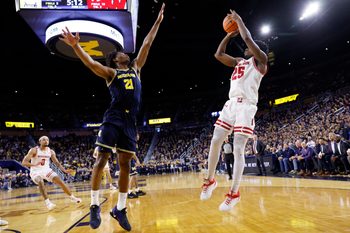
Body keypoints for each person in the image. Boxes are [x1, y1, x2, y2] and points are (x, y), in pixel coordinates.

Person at [59, 3, 165, 231]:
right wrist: (77, 47)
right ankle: (95, 204)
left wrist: (157, 21)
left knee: (125, 165)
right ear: (116, 59)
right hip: (114, 118)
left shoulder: (136, 68)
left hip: (130, 122)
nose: (126, 53)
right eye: (121, 53)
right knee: (102, 160)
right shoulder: (111, 73)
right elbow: (90, 63)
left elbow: (147, 43)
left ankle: (120, 208)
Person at [200, 9, 268, 212]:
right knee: (215, 141)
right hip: (230, 104)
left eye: (250, 48)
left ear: (255, 50)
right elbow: (218, 55)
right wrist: (228, 35)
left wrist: (239, 22)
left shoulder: (261, 61)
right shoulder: (240, 62)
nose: (246, 49)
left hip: (246, 106)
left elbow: (248, 39)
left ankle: (234, 193)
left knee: (238, 149)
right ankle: (210, 180)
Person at [21, 136, 82, 210]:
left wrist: (64, 170)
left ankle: (72, 197)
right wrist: (34, 165)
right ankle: (48, 203)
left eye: (47, 139)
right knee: (40, 181)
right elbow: (24, 162)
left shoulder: (51, 151)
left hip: (46, 170)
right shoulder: (34, 150)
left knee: (60, 181)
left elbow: (57, 163)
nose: (46, 141)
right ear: (40, 141)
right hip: (35, 171)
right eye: (44, 139)